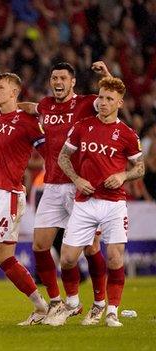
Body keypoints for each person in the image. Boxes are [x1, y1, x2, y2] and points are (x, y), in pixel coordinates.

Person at [46, 77, 144, 327]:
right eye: (100, 97)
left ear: (119, 103)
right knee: (67, 258)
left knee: (114, 257)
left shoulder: (127, 134)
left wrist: (123, 175)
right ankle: (73, 304)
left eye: (109, 99)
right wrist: (77, 179)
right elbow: (63, 158)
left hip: (113, 204)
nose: (102, 102)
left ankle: (110, 310)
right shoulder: (82, 126)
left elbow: (139, 167)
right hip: (85, 201)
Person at [18, 62, 112, 324]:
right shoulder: (46, 105)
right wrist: (9, 107)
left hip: (79, 184)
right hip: (52, 185)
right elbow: (31, 108)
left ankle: (98, 302)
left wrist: (106, 76)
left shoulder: (85, 103)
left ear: (72, 82)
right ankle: (61, 302)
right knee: (39, 245)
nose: (57, 82)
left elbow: (112, 97)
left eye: (62, 78)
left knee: (92, 248)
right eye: (54, 77)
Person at [0, 73, 49, 325]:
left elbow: (48, 151)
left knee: (3, 257)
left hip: (9, 194)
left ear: (14, 92)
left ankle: (41, 306)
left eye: (0, 87)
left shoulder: (28, 122)